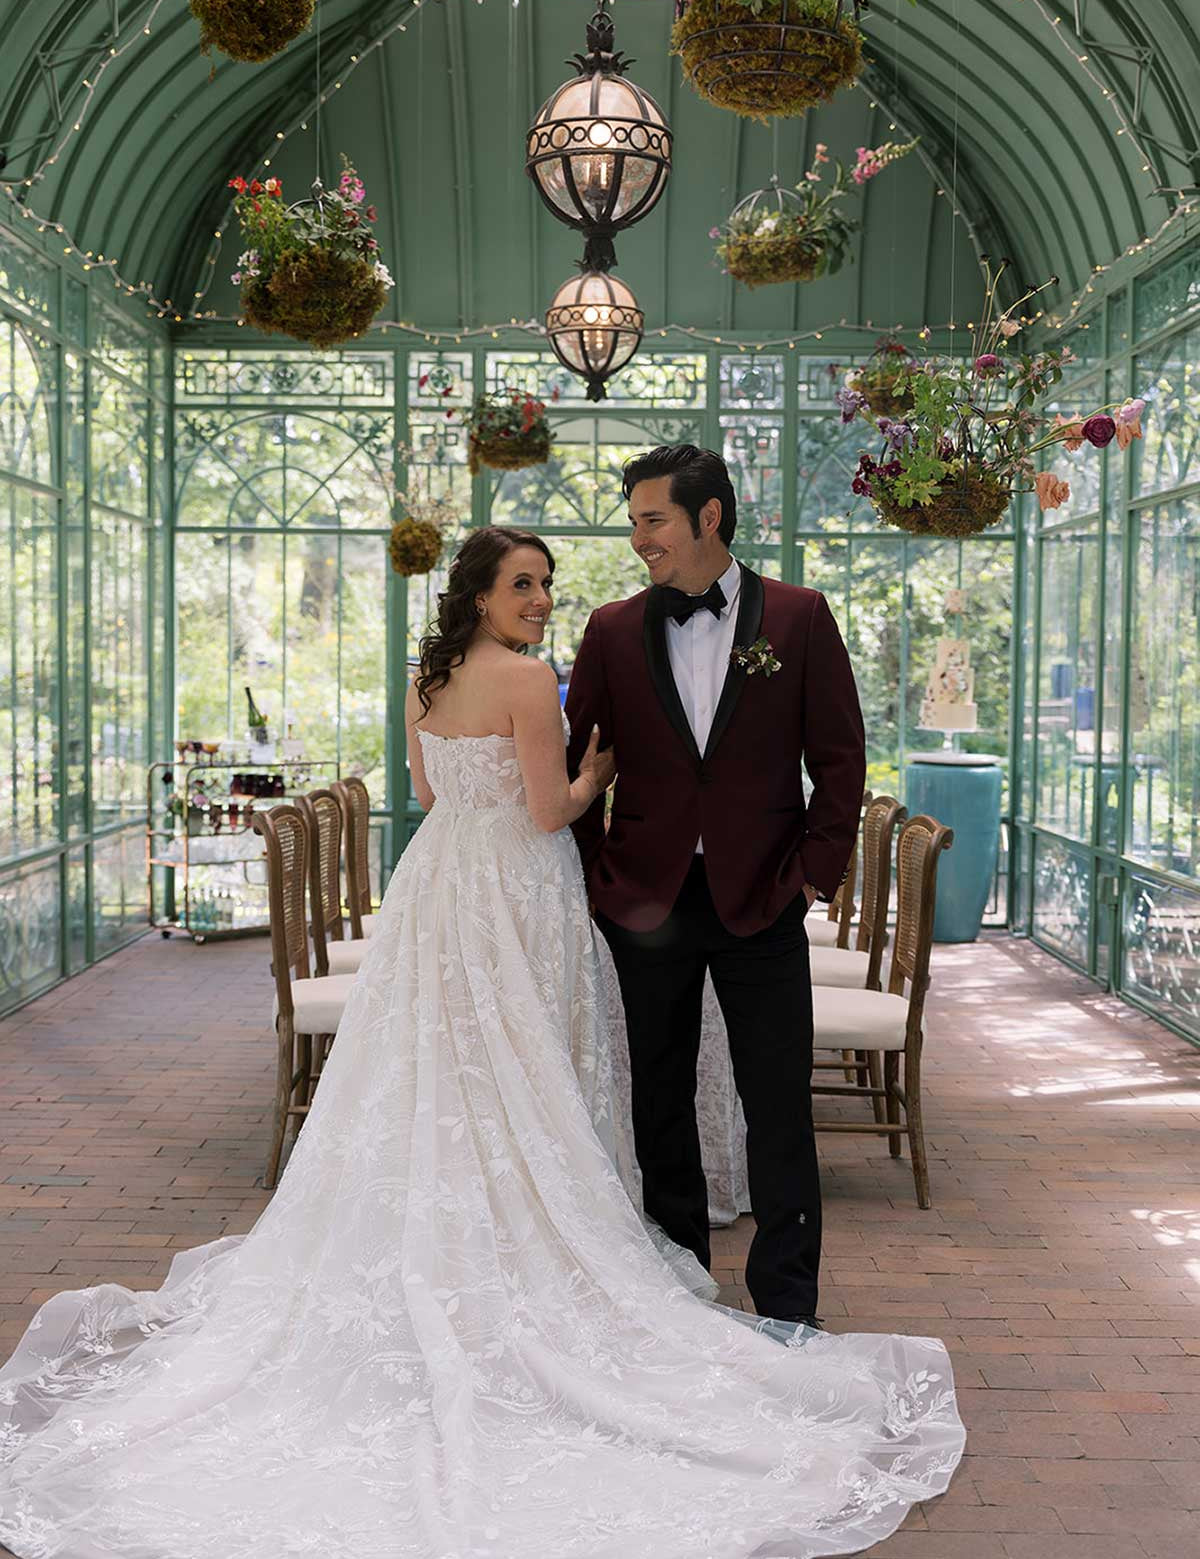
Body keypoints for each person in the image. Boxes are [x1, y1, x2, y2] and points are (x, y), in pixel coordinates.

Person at [0, 526, 963, 1559]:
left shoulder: (428, 675)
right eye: (524, 583)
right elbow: (548, 810)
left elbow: (423, 794)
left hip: (437, 888)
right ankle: (523, 1249)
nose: (543, 598)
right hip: (516, 890)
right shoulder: (526, 677)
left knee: (433, 1072)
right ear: (481, 593)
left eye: (546, 583)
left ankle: (449, 1239)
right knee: (526, 1068)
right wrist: (596, 773)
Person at [566, 444, 865, 1328]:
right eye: (632, 521)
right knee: (659, 1100)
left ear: (709, 518)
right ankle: (680, 1290)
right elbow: (579, 759)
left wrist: (813, 874)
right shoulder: (612, 630)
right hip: (645, 903)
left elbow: (841, 761)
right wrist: (595, 878)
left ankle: (788, 1303)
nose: (637, 539)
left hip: (762, 896)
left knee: (777, 1103)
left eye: (651, 519)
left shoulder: (802, 618)